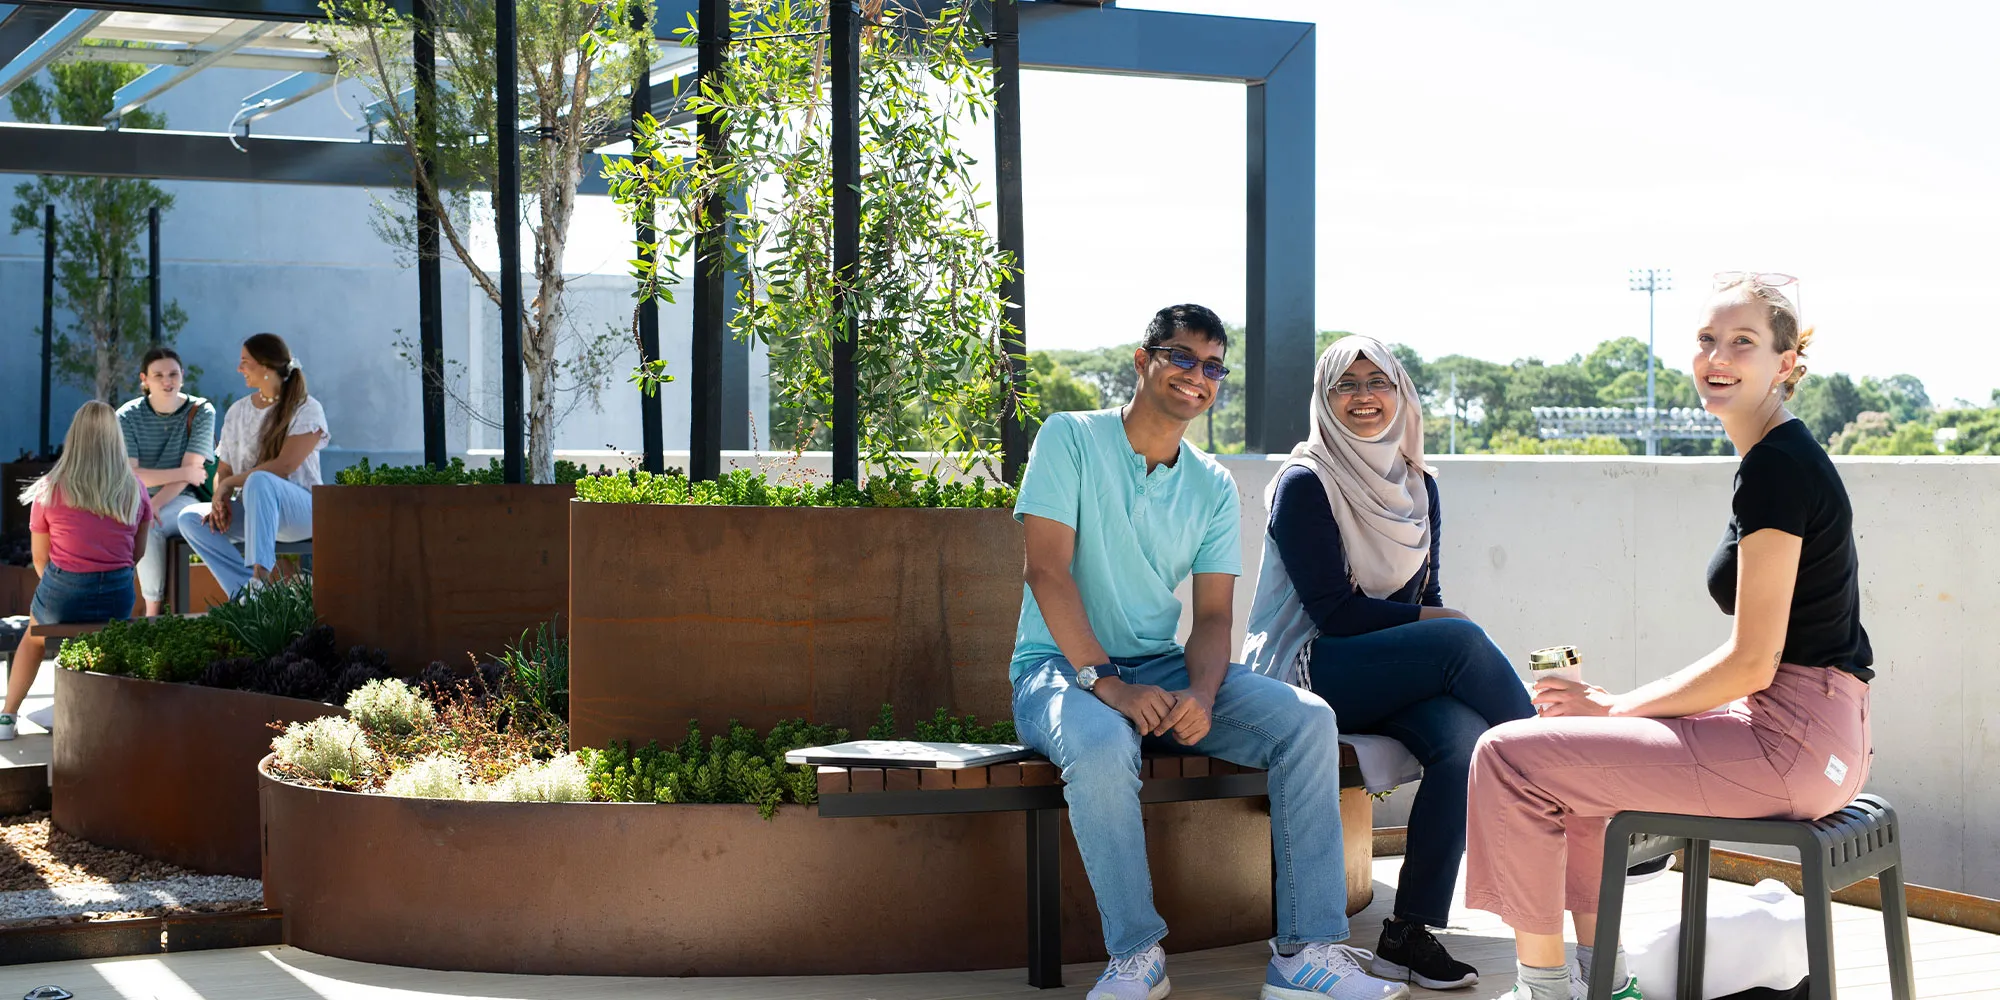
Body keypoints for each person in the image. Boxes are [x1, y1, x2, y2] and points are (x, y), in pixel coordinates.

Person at [1464, 274, 1873, 1000]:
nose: (1718, 356)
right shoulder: (1778, 457)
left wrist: (1615, 707)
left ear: (1784, 364)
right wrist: (1609, 711)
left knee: (1507, 757)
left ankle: (1543, 989)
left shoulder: (1777, 467)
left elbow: (1753, 663)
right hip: (1819, 738)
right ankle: (1603, 980)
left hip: (1790, 743)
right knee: (1569, 761)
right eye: (1708, 339)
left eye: (1742, 342)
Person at [1011, 304, 1409, 1000]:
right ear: (1143, 360)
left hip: (1161, 668)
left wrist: (1199, 693)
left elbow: (1216, 616)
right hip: (1059, 669)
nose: (1198, 375)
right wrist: (1108, 684)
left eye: (1213, 367)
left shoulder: (1214, 484)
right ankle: (1136, 955)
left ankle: (1306, 953)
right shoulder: (1069, 436)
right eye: (1182, 357)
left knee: (1306, 720)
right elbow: (1046, 570)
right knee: (1101, 743)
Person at [1244, 336, 1535, 990]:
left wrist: (1439, 622)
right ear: (1324, 399)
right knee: (1460, 640)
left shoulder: (1419, 485)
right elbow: (1336, 614)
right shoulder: (1305, 482)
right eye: (1346, 384)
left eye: (1379, 381)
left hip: (1379, 672)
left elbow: (1424, 596)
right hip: (1304, 668)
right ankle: (1561, 772)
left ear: (1402, 394)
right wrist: (1444, 626)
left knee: (1463, 741)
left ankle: (1407, 934)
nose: (1364, 396)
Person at [2, 402, 152, 740]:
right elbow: (136, 554)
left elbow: (40, 559)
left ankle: (7, 717)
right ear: (116, 439)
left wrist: (66, 584)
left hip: (63, 591)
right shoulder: (135, 488)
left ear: (74, 439)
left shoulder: (50, 487)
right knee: (111, 633)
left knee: (33, 637)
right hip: (117, 593)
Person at [177, 334, 327, 600]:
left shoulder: (307, 409)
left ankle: (260, 578)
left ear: (266, 366)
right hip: (253, 511)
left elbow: (284, 466)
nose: (239, 368)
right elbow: (224, 470)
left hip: (302, 513)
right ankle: (250, 597)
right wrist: (220, 498)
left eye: (245, 361)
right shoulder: (238, 411)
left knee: (260, 480)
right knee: (189, 518)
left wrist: (227, 485)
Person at [118, 347, 217, 616]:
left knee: (149, 524)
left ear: (182, 376)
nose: (167, 381)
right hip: (137, 497)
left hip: (183, 498)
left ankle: (153, 614)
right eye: (158, 375)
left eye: (173, 374)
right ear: (144, 379)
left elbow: (192, 471)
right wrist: (184, 473)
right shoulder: (127, 415)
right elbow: (133, 475)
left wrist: (154, 505)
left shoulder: (201, 410)